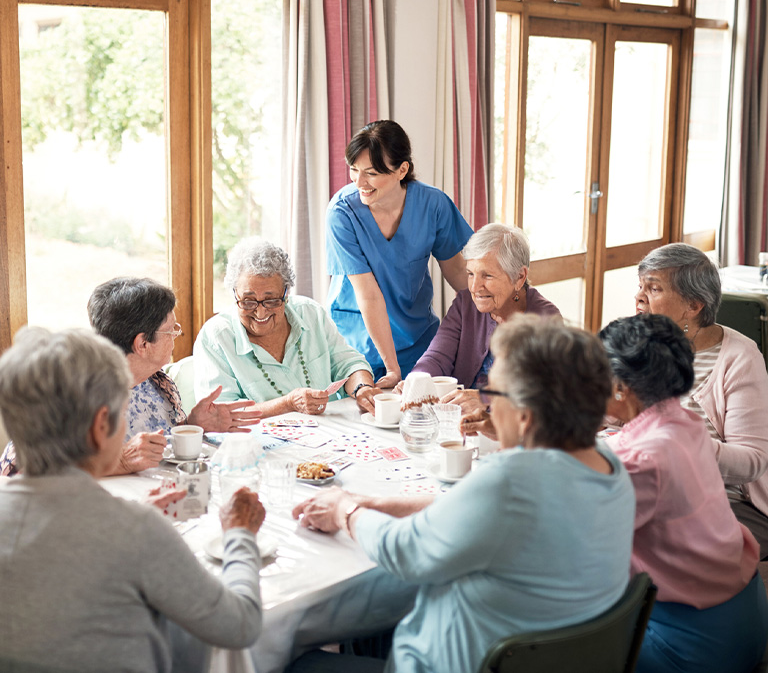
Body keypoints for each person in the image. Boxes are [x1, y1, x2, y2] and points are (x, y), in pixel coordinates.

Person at [291, 316, 635, 673]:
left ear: (525, 416)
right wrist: (376, 504)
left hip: (448, 663)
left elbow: (405, 551)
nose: (486, 406)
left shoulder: (511, 481)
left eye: (493, 394)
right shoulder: (609, 465)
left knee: (295, 660)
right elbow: (477, 512)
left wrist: (344, 509)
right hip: (561, 656)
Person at [0, 327, 266, 673]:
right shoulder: (135, 531)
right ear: (100, 427)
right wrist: (240, 534)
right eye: (122, 412)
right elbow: (240, 626)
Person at [599, 314, 768, 673]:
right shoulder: (683, 422)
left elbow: (578, 540)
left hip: (696, 648)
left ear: (620, 387)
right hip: (745, 620)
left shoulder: (643, 460)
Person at [0, 277, 262, 477]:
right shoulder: (73, 390)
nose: (177, 337)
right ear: (142, 344)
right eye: (171, 331)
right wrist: (120, 461)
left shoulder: (160, 384)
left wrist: (193, 425)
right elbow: (19, 474)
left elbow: (165, 449)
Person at [634, 243, 768, 559]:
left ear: (693, 306)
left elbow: (752, 461)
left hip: (729, 500)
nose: (639, 297)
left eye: (653, 288)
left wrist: (682, 442)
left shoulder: (740, 358)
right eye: (640, 286)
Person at [326, 120, 474, 388]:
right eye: (354, 170)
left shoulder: (433, 205)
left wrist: (497, 304)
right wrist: (392, 369)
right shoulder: (342, 213)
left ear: (402, 170)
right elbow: (368, 294)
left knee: (423, 416)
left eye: (371, 172)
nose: (359, 182)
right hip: (356, 339)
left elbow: (456, 271)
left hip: (417, 338)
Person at [194, 237, 379, 418]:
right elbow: (219, 414)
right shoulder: (216, 338)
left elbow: (349, 363)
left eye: (272, 300)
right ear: (234, 294)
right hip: (261, 444)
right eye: (248, 301)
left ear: (286, 293)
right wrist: (287, 404)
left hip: (330, 433)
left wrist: (362, 388)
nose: (260, 313)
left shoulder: (310, 313)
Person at [400, 223, 560, 412]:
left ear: (519, 277)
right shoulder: (464, 303)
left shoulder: (545, 317)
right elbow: (437, 356)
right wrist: (417, 380)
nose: (475, 287)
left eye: (487, 276)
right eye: (471, 274)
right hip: (459, 420)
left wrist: (486, 399)